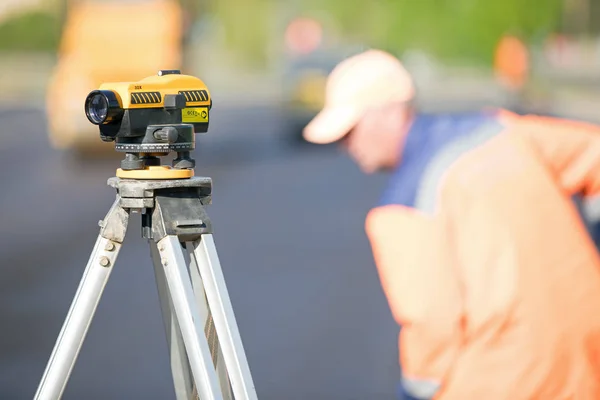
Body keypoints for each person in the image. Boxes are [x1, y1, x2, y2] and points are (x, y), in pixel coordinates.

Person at [303, 49, 600, 399]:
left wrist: (412, 394)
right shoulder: (502, 131)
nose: (346, 145)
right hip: (584, 366)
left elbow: (432, 332)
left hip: (503, 385)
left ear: (390, 110)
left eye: (350, 130)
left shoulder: (405, 205)